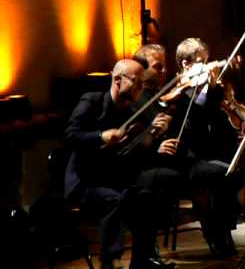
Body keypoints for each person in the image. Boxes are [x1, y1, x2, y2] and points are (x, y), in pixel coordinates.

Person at [64, 59, 178, 269]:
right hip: (84, 182)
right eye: (137, 82)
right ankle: (110, 262)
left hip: (114, 180)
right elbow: (71, 136)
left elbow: (134, 155)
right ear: (117, 80)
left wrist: (154, 139)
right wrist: (101, 136)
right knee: (114, 200)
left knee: (146, 198)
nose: (141, 88)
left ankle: (142, 262)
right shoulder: (92, 102)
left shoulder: (132, 112)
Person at [169, 37, 242, 256]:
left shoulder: (210, 90)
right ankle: (216, 233)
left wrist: (213, 88)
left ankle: (224, 229)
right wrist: (201, 88)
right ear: (186, 65)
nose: (208, 65)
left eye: (208, 60)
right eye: (202, 61)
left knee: (236, 168)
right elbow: (194, 117)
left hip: (209, 155)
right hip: (186, 158)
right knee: (221, 174)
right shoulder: (178, 90)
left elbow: (214, 120)